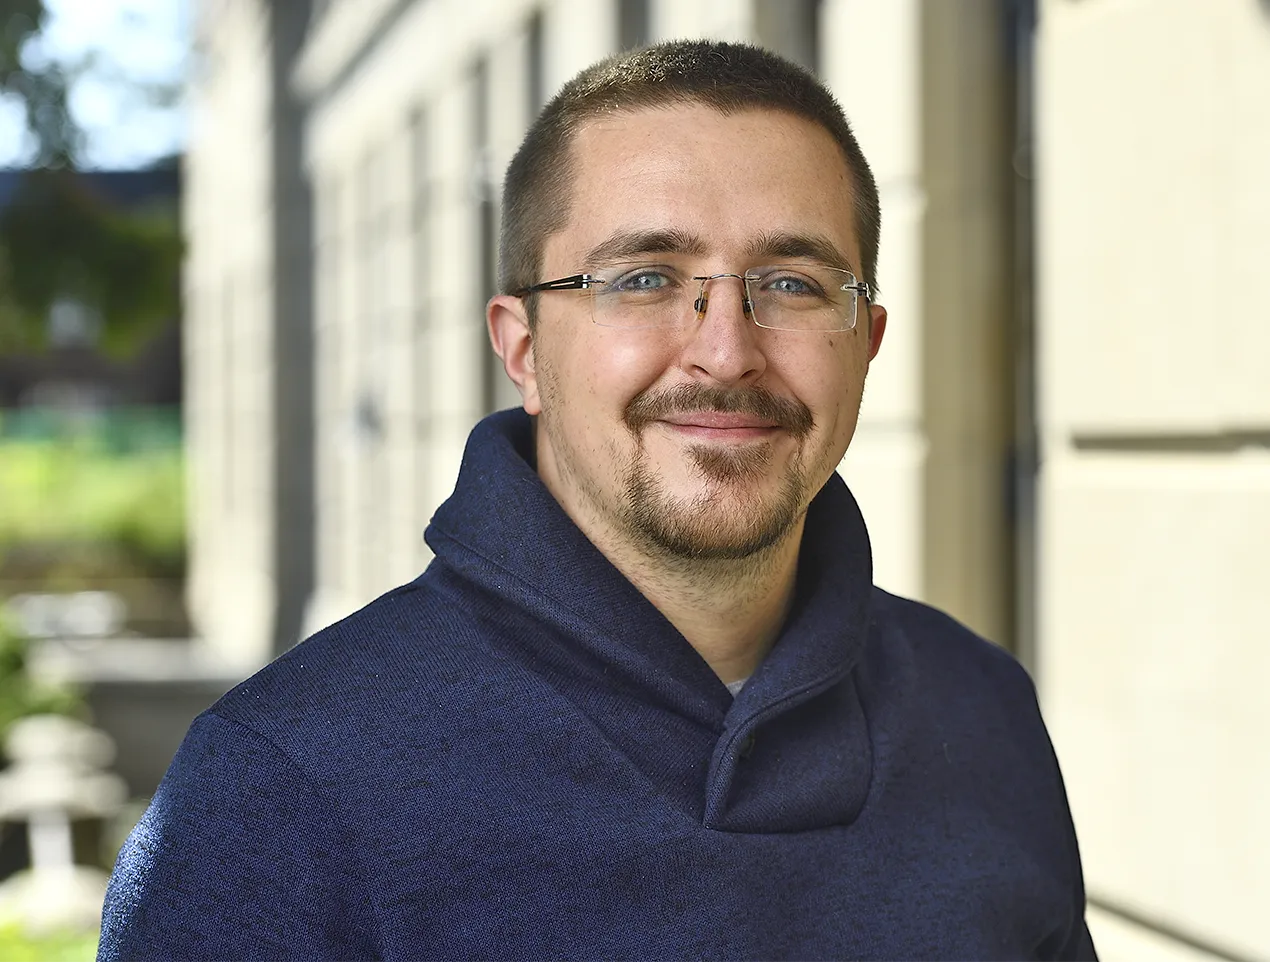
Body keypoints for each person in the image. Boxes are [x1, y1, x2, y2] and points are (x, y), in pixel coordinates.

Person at [98, 40, 1097, 961]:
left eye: (791, 283)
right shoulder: (282, 788)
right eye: (647, 276)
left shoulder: (982, 712)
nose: (725, 349)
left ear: (865, 343)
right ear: (522, 347)